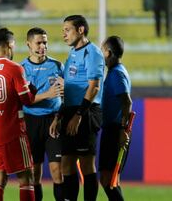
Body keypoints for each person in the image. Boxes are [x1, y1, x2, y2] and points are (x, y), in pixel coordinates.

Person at [0, 27, 36, 201]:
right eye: (14, 45)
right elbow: (27, 100)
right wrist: (32, 89)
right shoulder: (14, 68)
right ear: (8, 45)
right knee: (26, 178)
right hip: (12, 131)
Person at [53, 15, 104, 201]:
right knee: (66, 163)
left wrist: (79, 115)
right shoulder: (73, 53)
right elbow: (68, 87)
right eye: (63, 30)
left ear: (80, 30)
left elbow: (94, 86)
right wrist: (60, 115)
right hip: (70, 111)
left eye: (67, 30)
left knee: (86, 163)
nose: (64, 34)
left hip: (86, 111)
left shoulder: (93, 53)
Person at [20, 27, 64, 201]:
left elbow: (66, 97)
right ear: (29, 44)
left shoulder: (57, 66)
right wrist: (47, 94)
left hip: (53, 121)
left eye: (45, 42)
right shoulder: (21, 69)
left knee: (57, 172)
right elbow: (23, 100)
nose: (42, 46)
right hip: (31, 122)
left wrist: (59, 117)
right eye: (38, 43)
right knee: (34, 174)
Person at [99, 36, 132, 201]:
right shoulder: (114, 72)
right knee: (110, 180)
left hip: (114, 131)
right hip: (111, 130)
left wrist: (122, 130)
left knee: (108, 180)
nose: (100, 53)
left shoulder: (117, 74)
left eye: (102, 49)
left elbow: (126, 101)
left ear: (108, 52)